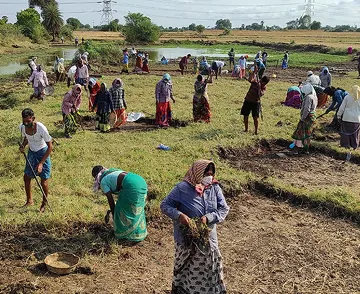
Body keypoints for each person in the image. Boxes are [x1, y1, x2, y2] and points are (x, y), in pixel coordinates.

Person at [160, 159, 229, 294]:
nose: (209, 177)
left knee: (210, 270)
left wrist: (208, 218)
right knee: (188, 271)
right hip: (187, 240)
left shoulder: (214, 187)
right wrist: (179, 215)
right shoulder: (182, 188)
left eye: (211, 173)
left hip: (208, 240)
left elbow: (223, 208)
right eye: (206, 173)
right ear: (197, 173)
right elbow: (165, 205)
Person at [92, 165, 148, 242]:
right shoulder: (112, 171)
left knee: (121, 210)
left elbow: (110, 200)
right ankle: (139, 233)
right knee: (136, 209)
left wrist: (114, 214)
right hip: (141, 181)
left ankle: (125, 235)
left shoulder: (103, 181)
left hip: (131, 186)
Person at [19, 108, 52, 212]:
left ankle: (44, 204)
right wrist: (23, 146)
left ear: (33, 119)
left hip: (43, 152)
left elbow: (50, 147)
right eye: (24, 121)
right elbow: (26, 139)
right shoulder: (22, 127)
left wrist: (41, 163)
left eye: (28, 121)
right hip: (32, 153)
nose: (26, 123)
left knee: (44, 181)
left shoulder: (41, 128)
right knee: (27, 177)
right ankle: (29, 201)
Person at [240, 69, 270, 135]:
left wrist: (259, 88)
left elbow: (261, 95)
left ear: (265, 83)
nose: (261, 82)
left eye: (263, 83)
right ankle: (246, 129)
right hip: (248, 100)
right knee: (245, 116)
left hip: (255, 103)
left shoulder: (263, 87)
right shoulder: (255, 81)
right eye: (261, 81)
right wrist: (253, 72)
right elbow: (249, 80)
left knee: (255, 118)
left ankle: (256, 131)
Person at [291, 83, 318, 154]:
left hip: (307, 117)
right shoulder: (314, 96)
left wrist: (302, 118)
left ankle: (297, 148)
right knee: (307, 133)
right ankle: (306, 149)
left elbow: (307, 109)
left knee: (300, 132)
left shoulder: (308, 97)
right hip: (312, 117)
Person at [337, 85, 360, 161]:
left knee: (345, 133)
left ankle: (345, 146)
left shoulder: (347, 97)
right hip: (356, 120)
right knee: (354, 134)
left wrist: (339, 116)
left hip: (346, 118)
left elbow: (342, 107)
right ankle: (354, 146)